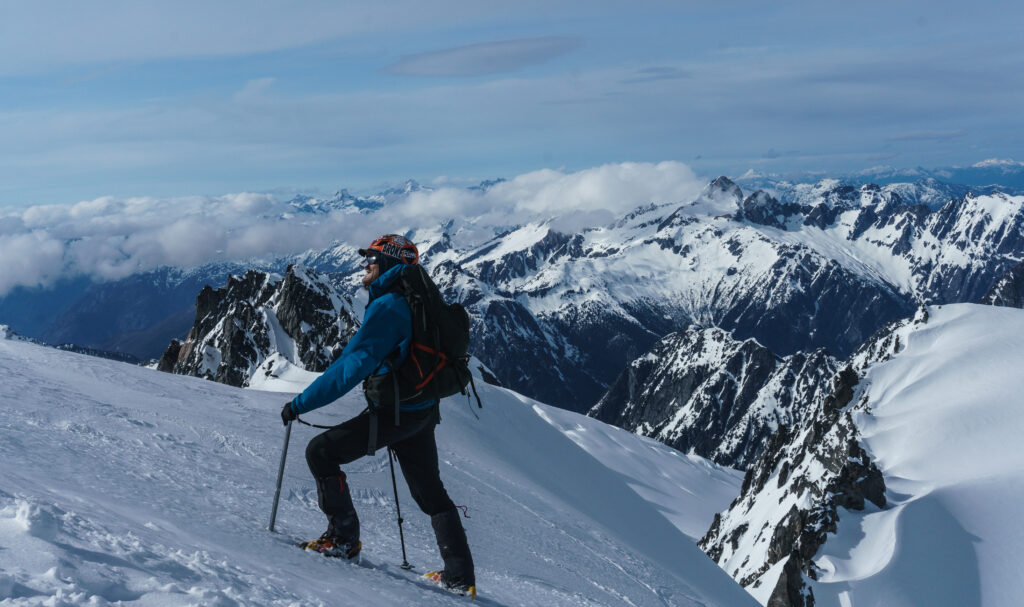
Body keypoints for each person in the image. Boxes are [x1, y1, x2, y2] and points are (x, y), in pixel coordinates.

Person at [280, 234, 475, 595]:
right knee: (430, 492)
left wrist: (300, 404)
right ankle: (460, 576)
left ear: (388, 262)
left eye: (371, 258)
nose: (364, 264)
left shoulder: (389, 307)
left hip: (395, 415)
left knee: (320, 452)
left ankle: (343, 539)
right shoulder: (418, 299)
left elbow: (348, 369)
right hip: (421, 411)